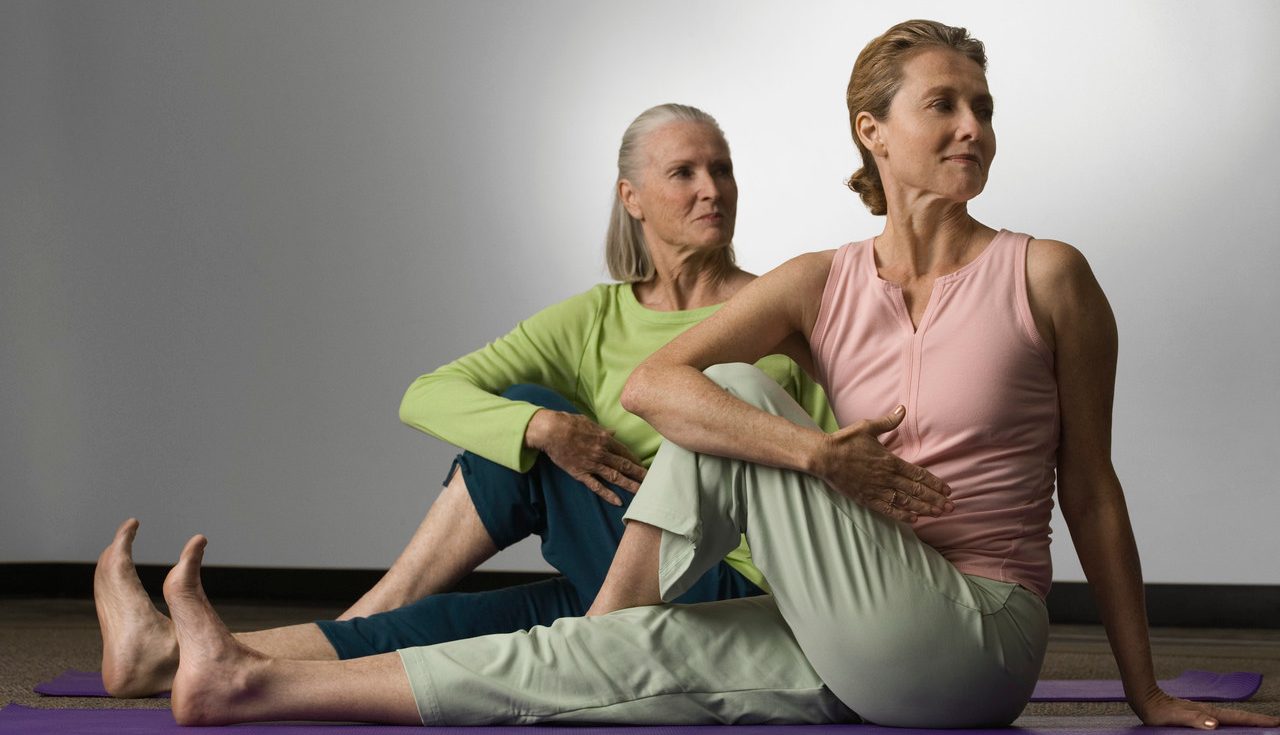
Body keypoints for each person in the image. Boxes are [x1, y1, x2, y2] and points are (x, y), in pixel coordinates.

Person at [114, 20, 1280, 730]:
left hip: (975, 638)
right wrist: (820, 459)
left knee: (748, 401)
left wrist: (1144, 693)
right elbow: (655, 390)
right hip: (856, 631)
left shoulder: (1048, 275)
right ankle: (241, 687)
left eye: (982, 106)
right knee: (623, 624)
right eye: (944, 104)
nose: (972, 126)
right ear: (873, 133)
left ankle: (599, 630)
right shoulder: (823, 280)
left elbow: (1093, 494)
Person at [93, 103, 833, 697]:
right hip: (612, 572)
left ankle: (357, 615)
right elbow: (427, 395)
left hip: (728, 582)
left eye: (723, 169)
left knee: (525, 417)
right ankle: (159, 658)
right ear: (631, 198)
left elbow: (839, 466)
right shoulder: (595, 319)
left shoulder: (772, 312)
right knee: (455, 611)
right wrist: (542, 426)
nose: (712, 188)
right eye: (685, 172)